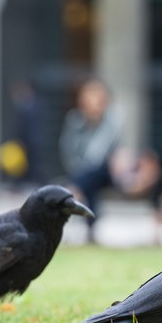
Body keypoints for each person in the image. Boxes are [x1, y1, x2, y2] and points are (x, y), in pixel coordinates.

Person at [59, 79, 121, 243]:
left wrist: (78, 176)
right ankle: (91, 231)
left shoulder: (111, 121)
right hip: (81, 173)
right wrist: (78, 171)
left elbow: (98, 154)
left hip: (106, 171)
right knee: (88, 184)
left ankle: (73, 191)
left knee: (89, 177)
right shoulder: (74, 120)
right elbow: (67, 150)